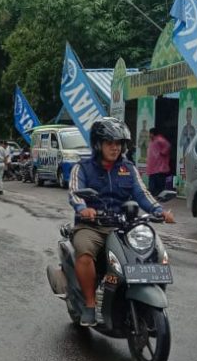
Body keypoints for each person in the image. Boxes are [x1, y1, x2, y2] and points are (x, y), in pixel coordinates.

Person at [68, 117, 175, 326]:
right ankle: (90, 305)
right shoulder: (82, 168)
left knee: (152, 252)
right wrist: (83, 209)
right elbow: (74, 193)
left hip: (124, 226)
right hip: (93, 226)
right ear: (98, 144)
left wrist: (159, 210)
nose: (115, 148)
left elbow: (142, 193)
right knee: (84, 252)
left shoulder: (128, 168)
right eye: (110, 143)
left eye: (119, 143)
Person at [146, 128, 172, 196]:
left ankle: (160, 200)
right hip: (152, 169)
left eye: (150, 133)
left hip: (159, 168)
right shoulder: (152, 141)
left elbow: (168, 145)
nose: (149, 135)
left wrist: (162, 152)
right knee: (152, 188)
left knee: (159, 188)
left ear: (152, 133)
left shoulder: (159, 139)